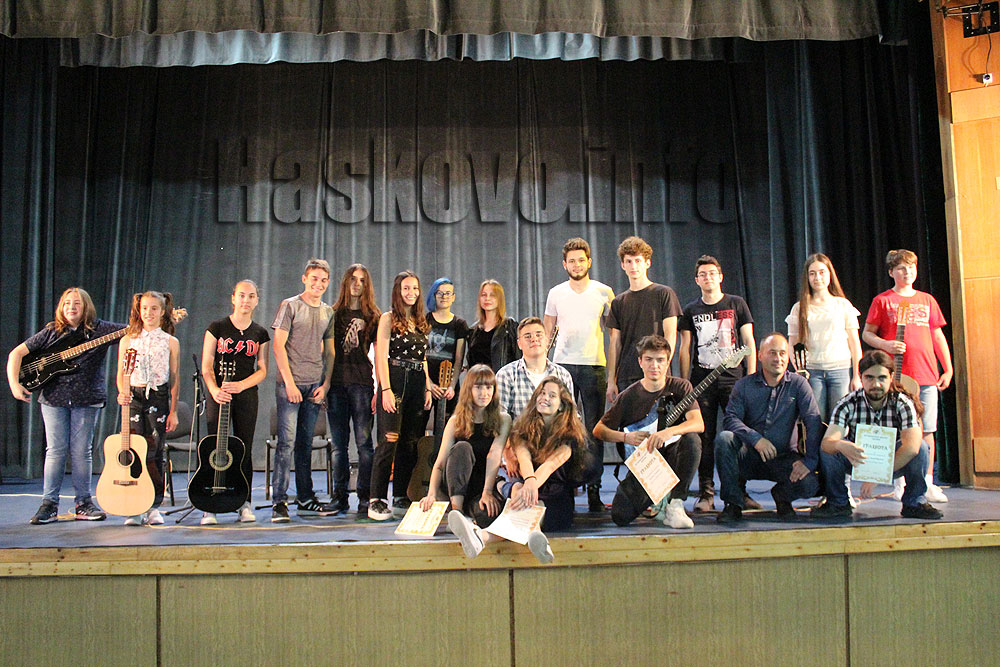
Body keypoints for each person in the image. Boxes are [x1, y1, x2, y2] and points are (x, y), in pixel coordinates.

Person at [449, 377, 596, 564]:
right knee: (516, 498)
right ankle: (535, 536)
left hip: (554, 497)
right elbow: (524, 457)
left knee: (532, 504)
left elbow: (550, 464)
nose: (545, 398)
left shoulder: (570, 436)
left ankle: (482, 537)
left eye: (552, 395)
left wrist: (530, 487)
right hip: (526, 489)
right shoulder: (523, 428)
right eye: (542, 393)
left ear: (561, 405)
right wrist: (527, 485)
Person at [7, 288, 123, 524]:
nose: (71, 307)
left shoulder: (100, 329)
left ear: (86, 307)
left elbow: (132, 331)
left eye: (77, 303)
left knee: (82, 452)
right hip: (54, 399)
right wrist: (14, 384)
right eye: (67, 303)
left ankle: (84, 503)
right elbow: (16, 354)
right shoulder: (51, 332)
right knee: (55, 451)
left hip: (87, 398)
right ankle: (49, 504)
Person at [862, 249, 953, 504]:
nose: (908, 272)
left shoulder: (927, 300)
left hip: (926, 374)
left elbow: (937, 335)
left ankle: (927, 481)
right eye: (902, 268)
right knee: (897, 428)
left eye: (911, 267)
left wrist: (947, 368)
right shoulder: (883, 301)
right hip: (897, 377)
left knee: (927, 428)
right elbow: (867, 333)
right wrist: (886, 345)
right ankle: (900, 481)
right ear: (892, 272)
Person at [814, 350, 943, 520]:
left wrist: (878, 475)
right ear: (860, 378)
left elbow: (912, 447)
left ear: (891, 377)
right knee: (830, 450)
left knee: (922, 448)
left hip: (893, 462)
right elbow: (827, 442)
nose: (876, 384)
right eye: (869, 377)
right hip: (858, 460)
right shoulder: (847, 403)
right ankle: (838, 503)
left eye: (882, 378)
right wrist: (839, 444)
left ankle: (914, 502)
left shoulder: (903, 403)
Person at [594, 335, 703, 528]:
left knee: (692, 440)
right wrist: (626, 437)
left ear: (668, 362)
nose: (655, 365)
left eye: (660, 360)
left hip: (673, 458)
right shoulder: (628, 395)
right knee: (620, 515)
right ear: (640, 362)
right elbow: (599, 430)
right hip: (647, 466)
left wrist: (669, 432)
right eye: (649, 359)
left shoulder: (681, 386)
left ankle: (675, 503)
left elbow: (697, 423)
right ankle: (657, 498)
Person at [715, 333, 823, 523]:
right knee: (724, 439)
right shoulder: (743, 385)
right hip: (748, 456)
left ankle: (782, 496)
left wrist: (810, 461)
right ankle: (733, 503)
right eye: (772, 353)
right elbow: (730, 419)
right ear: (760, 355)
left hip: (783, 459)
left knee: (810, 484)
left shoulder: (799, 384)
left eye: (782, 353)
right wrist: (756, 439)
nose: (778, 358)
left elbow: (813, 421)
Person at [678, 255, 756, 514]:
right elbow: (685, 347)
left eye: (712, 273)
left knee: (736, 435)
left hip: (734, 379)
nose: (708, 277)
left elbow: (749, 342)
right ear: (696, 280)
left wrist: (751, 377)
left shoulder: (736, 303)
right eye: (703, 274)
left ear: (720, 277)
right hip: (702, 380)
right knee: (705, 437)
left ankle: (739, 491)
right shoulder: (691, 310)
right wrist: (685, 383)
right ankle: (706, 493)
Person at [543, 237, 615, 512]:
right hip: (561, 367)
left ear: (589, 262)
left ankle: (594, 489)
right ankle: (565, 487)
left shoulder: (604, 292)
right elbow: (547, 332)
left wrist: (613, 374)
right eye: (571, 261)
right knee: (561, 428)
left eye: (581, 260)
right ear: (564, 264)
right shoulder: (556, 293)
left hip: (594, 365)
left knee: (594, 430)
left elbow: (614, 336)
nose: (576, 265)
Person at [270, 258, 337, 522]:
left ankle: (305, 499)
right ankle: (279, 502)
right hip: (291, 384)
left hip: (314, 386)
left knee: (304, 444)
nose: (318, 284)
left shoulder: (328, 312)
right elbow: (278, 346)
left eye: (323, 280)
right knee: (286, 444)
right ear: (304, 279)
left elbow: (330, 352)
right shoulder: (290, 305)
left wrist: (326, 384)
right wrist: (289, 383)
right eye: (314, 279)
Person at [200, 280, 270, 524]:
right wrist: (214, 389)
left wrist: (242, 385)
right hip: (219, 393)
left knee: (244, 447)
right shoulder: (217, 327)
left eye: (251, 296)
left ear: (257, 300)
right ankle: (209, 504)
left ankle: (244, 502)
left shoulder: (260, 333)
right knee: (214, 447)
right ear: (233, 298)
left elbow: (263, 370)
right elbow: (206, 365)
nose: (246, 300)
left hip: (246, 393)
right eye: (241, 295)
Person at [368, 271, 433, 521]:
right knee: (389, 441)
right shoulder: (388, 318)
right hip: (395, 380)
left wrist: (427, 387)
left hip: (417, 381)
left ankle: (400, 496)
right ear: (398, 291)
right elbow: (381, 356)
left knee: (410, 442)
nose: (411, 293)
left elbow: (423, 357)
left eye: (415, 288)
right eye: (406, 288)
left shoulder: (420, 320)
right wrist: (384, 389)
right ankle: (377, 499)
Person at [419, 364, 510, 530]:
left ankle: (470, 515)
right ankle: (457, 512)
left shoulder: (503, 419)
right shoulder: (455, 421)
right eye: (478, 387)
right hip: (454, 485)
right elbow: (440, 464)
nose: (484, 393)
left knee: (489, 516)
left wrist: (487, 492)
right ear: (469, 390)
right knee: (462, 447)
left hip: (481, 486)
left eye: (489, 387)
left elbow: (494, 455)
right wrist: (431, 494)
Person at [116, 291, 181, 526]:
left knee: (155, 450)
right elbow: (120, 373)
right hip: (134, 396)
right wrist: (122, 391)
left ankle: (154, 505)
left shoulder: (170, 341)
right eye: (144, 308)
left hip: (158, 397)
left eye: (154, 308)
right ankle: (134, 505)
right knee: (133, 449)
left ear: (162, 312)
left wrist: (173, 410)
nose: (148, 313)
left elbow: (174, 377)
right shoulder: (128, 339)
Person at [325, 264, 380, 514]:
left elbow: (379, 356)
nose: (357, 284)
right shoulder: (333, 313)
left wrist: (379, 389)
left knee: (364, 445)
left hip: (362, 385)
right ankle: (340, 497)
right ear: (346, 282)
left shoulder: (374, 316)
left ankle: (365, 497)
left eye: (362, 280)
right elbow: (326, 354)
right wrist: (324, 385)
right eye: (353, 279)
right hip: (336, 385)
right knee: (339, 446)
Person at [606, 236, 682, 404]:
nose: (634, 266)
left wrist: (663, 365)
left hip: (656, 372)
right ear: (623, 265)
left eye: (638, 261)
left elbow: (670, 334)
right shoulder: (618, 302)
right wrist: (611, 380)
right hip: (627, 375)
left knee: (659, 418)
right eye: (629, 261)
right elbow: (615, 343)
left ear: (647, 263)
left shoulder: (664, 293)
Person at [786, 253, 862, 421]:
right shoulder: (799, 308)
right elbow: (793, 344)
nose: (817, 277)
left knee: (840, 420)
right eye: (812, 273)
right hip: (813, 372)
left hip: (841, 371)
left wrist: (857, 376)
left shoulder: (843, 305)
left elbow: (855, 344)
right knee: (815, 420)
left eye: (822, 272)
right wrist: (799, 370)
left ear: (830, 274)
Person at [496, 317, 574, 421]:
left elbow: (571, 415)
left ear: (546, 340)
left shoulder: (563, 375)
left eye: (539, 335)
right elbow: (500, 419)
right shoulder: (505, 375)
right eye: (528, 336)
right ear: (519, 344)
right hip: (520, 431)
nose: (534, 339)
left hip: (556, 431)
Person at [421, 276, 468, 428]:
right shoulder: (424, 320)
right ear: (434, 295)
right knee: (417, 428)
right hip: (425, 382)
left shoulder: (459, 324)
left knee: (447, 429)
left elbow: (459, 359)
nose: (444, 296)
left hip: (448, 384)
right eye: (440, 293)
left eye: (448, 293)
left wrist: (452, 386)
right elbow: (420, 355)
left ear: (453, 297)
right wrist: (429, 384)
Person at [466, 279, 519, 372]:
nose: (487, 298)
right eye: (484, 295)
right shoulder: (473, 331)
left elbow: (519, 359)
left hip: (502, 379)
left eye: (492, 295)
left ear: (499, 299)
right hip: (478, 379)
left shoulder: (510, 327)